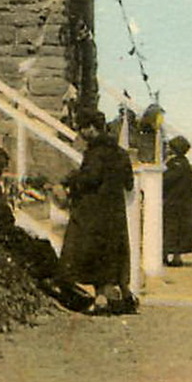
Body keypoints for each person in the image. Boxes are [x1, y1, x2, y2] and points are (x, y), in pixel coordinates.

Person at [58, 113, 136, 313]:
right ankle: (125, 295)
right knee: (113, 254)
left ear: (91, 128)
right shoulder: (120, 152)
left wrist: (70, 181)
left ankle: (100, 299)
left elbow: (91, 179)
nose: (81, 134)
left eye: (82, 129)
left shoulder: (96, 153)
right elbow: (129, 183)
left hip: (93, 211)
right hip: (115, 212)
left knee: (90, 252)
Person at [162, 134, 192, 266]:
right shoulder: (185, 164)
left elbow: (166, 181)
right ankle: (177, 257)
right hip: (183, 203)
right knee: (180, 231)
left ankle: (165, 255)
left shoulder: (175, 165)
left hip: (172, 202)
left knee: (169, 229)